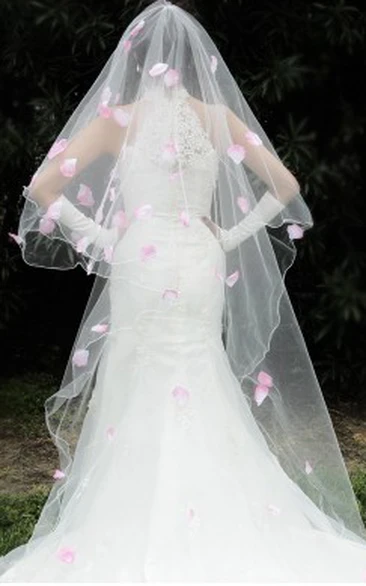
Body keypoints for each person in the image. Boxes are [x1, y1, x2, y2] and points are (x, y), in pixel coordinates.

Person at [2, 0, 366, 581]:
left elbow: (44, 187)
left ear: (135, 60)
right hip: (198, 257)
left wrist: (101, 239)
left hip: (141, 261)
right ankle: (224, 508)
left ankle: (130, 511)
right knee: (201, 371)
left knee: (137, 374)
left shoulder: (118, 119)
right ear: (195, 63)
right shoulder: (216, 115)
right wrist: (230, 236)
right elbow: (288, 186)